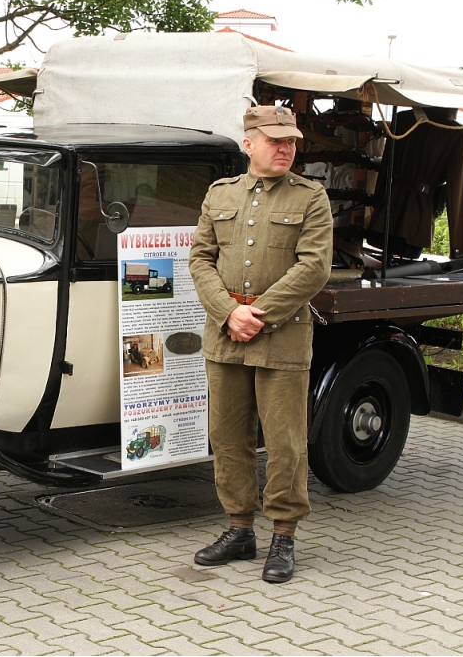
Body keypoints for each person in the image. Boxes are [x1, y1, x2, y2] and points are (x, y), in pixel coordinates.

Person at [188, 105, 332, 583]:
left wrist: (257, 315)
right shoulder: (220, 194)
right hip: (226, 332)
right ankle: (239, 530)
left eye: (291, 140)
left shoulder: (311, 197)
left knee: (286, 442)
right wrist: (230, 313)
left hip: (282, 336)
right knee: (229, 438)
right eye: (275, 140)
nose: (286, 147)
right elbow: (200, 261)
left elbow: (313, 268)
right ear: (248, 143)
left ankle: (284, 536)